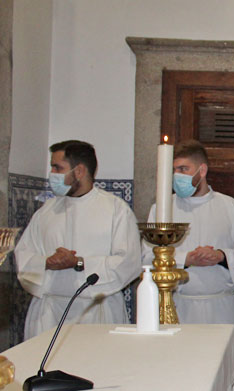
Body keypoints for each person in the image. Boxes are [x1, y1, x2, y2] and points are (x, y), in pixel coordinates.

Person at [144, 140, 234, 391]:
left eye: (183, 169)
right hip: (178, 307)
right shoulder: (162, 207)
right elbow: (147, 260)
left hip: (219, 308)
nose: (176, 176)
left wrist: (220, 255)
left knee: (221, 383)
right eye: (173, 170)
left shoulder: (232, 208)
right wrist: (186, 258)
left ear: (202, 171)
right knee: (179, 381)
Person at [16, 140, 141, 340]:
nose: (52, 173)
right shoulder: (46, 211)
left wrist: (80, 263)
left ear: (80, 170)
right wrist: (47, 262)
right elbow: (24, 255)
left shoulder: (115, 210)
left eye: (57, 167)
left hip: (96, 312)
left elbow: (129, 262)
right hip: (48, 314)